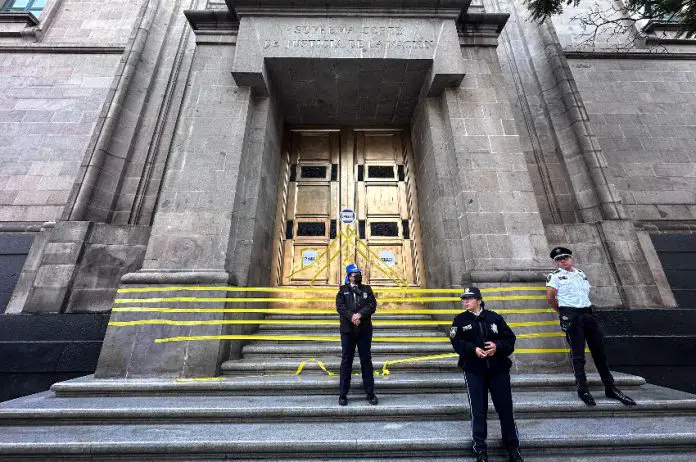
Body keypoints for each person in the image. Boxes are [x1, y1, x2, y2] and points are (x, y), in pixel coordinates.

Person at [546, 246, 636, 407]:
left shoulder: (581, 274)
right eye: (559, 259)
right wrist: (563, 311)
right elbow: (551, 298)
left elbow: (584, 293)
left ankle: (610, 387)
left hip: (588, 313)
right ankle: (583, 389)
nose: (563, 260)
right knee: (578, 355)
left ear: (571, 258)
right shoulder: (555, 276)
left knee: (599, 353)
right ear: (556, 262)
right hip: (571, 315)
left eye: (565, 257)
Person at [450, 286, 523, 462]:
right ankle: (480, 449)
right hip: (474, 371)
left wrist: (497, 347)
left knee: (505, 409)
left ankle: (513, 448)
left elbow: (510, 339)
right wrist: (472, 349)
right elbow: (455, 341)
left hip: (498, 370)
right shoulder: (459, 320)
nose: (465, 301)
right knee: (478, 410)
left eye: (469, 298)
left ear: (479, 300)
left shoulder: (494, 317)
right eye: (463, 299)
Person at [336, 263, 378, 406]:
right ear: (349, 276)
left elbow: (372, 305)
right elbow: (340, 307)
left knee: (366, 360)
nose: (357, 276)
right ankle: (343, 394)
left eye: (358, 273)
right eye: (354, 274)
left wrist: (360, 315)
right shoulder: (343, 290)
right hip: (348, 331)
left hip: (364, 330)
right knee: (346, 361)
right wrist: (352, 317)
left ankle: (370, 392)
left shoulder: (367, 289)